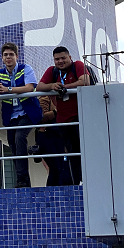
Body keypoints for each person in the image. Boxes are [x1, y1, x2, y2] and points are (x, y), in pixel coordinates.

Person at [0, 43, 41, 188]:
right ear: (2, 58)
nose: (8, 57)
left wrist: (8, 89)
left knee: (20, 137)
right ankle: (22, 180)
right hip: (11, 116)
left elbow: (30, 87)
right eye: (5, 55)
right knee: (13, 144)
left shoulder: (25, 68)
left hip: (28, 112)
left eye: (11, 54)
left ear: (17, 56)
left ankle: (22, 180)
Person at [37, 46, 89, 184]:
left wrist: (66, 88)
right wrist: (52, 86)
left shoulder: (78, 65)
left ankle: (89, 180)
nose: (60, 61)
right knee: (72, 153)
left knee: (86, 150)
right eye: (57, 59)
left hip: (82, 117)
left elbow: (85, 81)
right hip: (63, 120)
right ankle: (78, 182)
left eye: (63, 58)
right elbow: (39, 87)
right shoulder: (52, 71)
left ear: (70, 57)